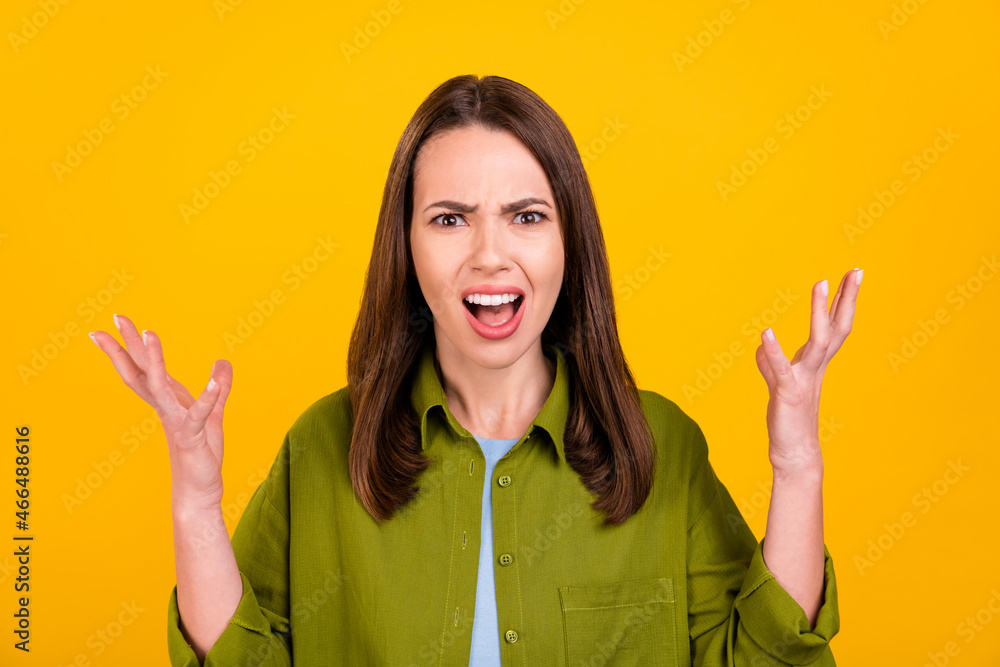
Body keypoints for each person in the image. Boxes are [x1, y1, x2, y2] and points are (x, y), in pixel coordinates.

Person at [91, 74, 859, 666]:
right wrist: (196, 501)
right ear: (407, 245)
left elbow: (770, 657)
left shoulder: (660, 447)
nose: (489, 253)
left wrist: (796, 466)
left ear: (569, 243)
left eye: (527, 216)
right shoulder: (324, 445)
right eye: (450, 218)